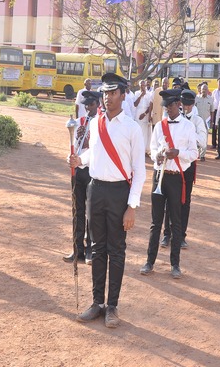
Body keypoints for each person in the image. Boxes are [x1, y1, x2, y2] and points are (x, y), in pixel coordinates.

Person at [67, 73, 146, 328]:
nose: (107, 98)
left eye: (112, 93)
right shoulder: (95, 123)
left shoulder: (132, 128)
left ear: (123, 95)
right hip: (96, 190)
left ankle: (112, 306)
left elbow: (139, 170)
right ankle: (97, 303)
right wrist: (80, 159)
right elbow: (94, 152)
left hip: (119, 193)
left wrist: (132, 206)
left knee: (116, 250)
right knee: (97, 248)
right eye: (105, 93)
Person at [140, 89, 197, 279]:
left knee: (176, 222)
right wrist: (157, 155)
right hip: (159, 176)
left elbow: (194, 153)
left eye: (170, 106)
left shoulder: (188, 126)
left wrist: (178, 153)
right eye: (165, 106)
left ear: (178, 104)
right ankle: (150, 262)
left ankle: (175, 264)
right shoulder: (159, 126)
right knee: (155, 222)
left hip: (176, 177)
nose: (167, 110)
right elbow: (153, 148)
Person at [158, 89, 208, 249]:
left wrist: (188, 132)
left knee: (184, 200)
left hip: (187, 163)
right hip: (171, 163)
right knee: (168, 199)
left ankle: (181, 235)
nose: (185, 107)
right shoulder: (171, 117)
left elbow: (203, 142)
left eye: (188, 105)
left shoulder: (197, 121)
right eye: (183, 104)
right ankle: (167, 234)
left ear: (193, 104)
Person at [63, 90, 101, 265]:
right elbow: (73, 145)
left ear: (98, 104)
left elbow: (98, 149)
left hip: (92, 170)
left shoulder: (101, 123)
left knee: (91, 212)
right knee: (77, 210)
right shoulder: (79, 122)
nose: (88, 108)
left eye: (91, 105)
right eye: (86, 105)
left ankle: (90, 250)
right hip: (78, 170)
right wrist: (70, 156)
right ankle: (77, 248)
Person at [194, 83, 213, 161]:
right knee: (196, 137)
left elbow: (212, 111)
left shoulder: (210, 99)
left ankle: (202, 155)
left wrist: (211, 121)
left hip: (206, 122)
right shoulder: (196, 98)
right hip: (197, 122)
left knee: (205, 138)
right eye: (203, 89)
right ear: (200, 90)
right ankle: (197, 153)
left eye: (205, 89)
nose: (204, 91)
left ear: (207, 90)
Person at [133, 80, 153, 155]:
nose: (143, 86)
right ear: (139, 86)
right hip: (138, 115)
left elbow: (150, 106)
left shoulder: (149, 94)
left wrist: (144, 114)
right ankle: (137, 150)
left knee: (144, 134)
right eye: (141, 85)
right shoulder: (136, 93)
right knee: (138, 133)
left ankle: (143, 151)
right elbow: (135, 104)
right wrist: (141, 95)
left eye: (144, 85)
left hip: (145, 115)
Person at [211, 77, 220, 148]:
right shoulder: (214, 92)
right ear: (217, 82)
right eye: (219, 81)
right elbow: (212, 101)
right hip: (215, 110)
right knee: (214, 127)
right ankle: (214, 144)